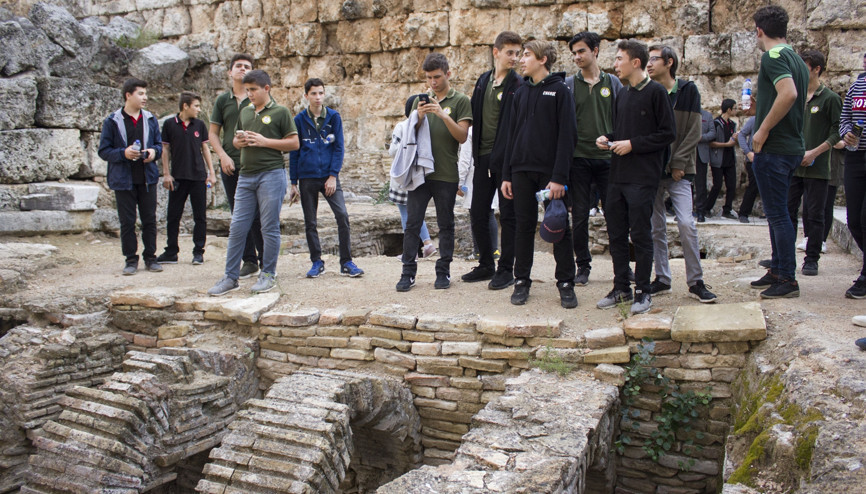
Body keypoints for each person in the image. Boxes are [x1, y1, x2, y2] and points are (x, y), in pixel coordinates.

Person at [595, 39, 676, 314]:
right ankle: (621, 288)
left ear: (635, 62)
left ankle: (642, 291)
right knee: (616, 234)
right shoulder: (623, 94)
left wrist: (632, 145)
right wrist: (610, 138)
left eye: (619, 59)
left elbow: (667, 134)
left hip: (643, 177)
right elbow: (625, 132)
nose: (615, 64)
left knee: (641, 234)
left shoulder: (656, 93)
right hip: (617, 176)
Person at [208, 70, 299, 296]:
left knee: (268, 227)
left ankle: (268, 274)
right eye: (247, 90)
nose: (249, 94)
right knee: (237, 226)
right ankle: (230, 277)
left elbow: (294, 143)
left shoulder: (280, 112)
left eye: (253, 90)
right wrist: (238, 143)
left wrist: (264, 141)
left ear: (266, 89)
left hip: (271, 175)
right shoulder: (246, 112)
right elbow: (234, 142)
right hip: (245, 176)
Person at [501, 40, 578, 308]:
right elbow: (511, 136)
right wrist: (507, 175)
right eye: (521, 55)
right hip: (521, 171)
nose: (521, 60)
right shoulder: (520, 93)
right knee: (523, 227)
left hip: (550, 175)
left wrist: (559, 177)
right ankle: (521, 280)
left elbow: (568, 137)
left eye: (527, 55)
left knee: (559, 227)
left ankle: (566, 283)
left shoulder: (560, 91)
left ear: (543, 59)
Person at [645, 44, 717, 303]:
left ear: (669, 62)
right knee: (656, 227)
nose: (649, 63)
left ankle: (696, 281)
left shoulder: (688, 91)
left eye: (654, 59)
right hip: (653, 170)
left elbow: (694, 132)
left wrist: (678, 163)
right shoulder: (648, 90)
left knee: (686, 223)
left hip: (680, 170)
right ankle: (662, 278)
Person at [395, 53, 471, 292]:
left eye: (437, 77)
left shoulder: (460, 101)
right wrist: (417, 117)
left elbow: (462, 136)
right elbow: (409, 136)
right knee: (412, 224)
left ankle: (443, 272)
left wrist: (441, 113)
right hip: (420, 173)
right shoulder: (422, 100)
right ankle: (408, 273)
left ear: (448, 74)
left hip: (446, 174)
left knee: (446, 224)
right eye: (429, 78)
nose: (433, 82)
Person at [748, 5, 809, 299]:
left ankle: (787, 278)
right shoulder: (796, 59)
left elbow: (789, 94)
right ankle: (777, 268)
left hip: (774, 148)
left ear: (760, 30)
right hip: (791, 147)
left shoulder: (772, 56)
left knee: (778, 215)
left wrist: (762, 130)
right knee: (780, 213)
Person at [461, 31, 522, 290]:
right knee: (477, 212)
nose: (515, 58)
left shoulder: (517, 83)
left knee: (508, 215)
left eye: (518, 53)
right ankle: (486, 264)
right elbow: (474, 118)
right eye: (510, 52)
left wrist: (508, 160)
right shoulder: (483, 81)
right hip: (482, 159)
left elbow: (516, 125)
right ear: (495, 52)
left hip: (506, 160)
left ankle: (506, 269)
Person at [288, 78, 364, 278]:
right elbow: (295, 152)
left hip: (328, 177)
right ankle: (316, 261)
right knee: (310, 222)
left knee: (342, 216)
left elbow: (339, 148)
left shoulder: (333, 117)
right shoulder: (299, 120)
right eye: (313, 93)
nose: (317, 97)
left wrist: (333, 176)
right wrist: (293, 183)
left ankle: (346, 262)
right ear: (306, 96)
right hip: (307, 177)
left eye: (321, 93)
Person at [566, 31, 623, 286]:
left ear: (595, 50)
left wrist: (612, 141)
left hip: (608, 160)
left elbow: (622, 120)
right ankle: (583, 266)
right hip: (578, 159)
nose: (577, 57)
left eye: (582, 51)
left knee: (615, 214)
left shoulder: (613, 83)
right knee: (579, 216)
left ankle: (621, 268)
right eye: (574, 53)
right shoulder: (568, 85)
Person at [98, 78, 163, 276]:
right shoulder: (112, 121)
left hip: (147, 178)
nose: (145, 97)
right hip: (123, 180)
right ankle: (130, 259)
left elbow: (159, 145)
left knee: (149, 220)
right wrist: (123, 153)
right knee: (127, 221)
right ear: (128, 95)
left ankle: (151, 258)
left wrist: (153, 153)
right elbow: (104, 151)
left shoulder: (150, 119)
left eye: (145, 93)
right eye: (141, 93)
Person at [786, 50, 841, 277]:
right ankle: (784, 257)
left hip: (817, 168)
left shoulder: (830, 98)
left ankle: (812, 259)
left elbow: (837, 131)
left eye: (804, 67)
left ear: (816, 69)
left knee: (814, 214)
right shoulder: (794, 96)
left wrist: (815, 152)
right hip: (793, 165)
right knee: (787, 211)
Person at [209, 54, 264, 280]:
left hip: (255, 165)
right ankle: (249, 261)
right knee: (239, 215)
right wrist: (222, 156)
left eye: (247, 67)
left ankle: (266, 262)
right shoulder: (223, 101)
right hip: (231, 164)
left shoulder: (258, 99)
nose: (242, 69)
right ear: (230, 73)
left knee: (260, 215)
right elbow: (213, 133)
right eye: (238, 66)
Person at [156, 91, 216, 266]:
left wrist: (211, 173)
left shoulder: (199, 125)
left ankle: (198, 252)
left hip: (198, 176)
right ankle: (171, 251)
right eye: (196, 106)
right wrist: (167, 174)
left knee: (200, 217)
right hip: (178, 177)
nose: (199, 109)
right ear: (185, 106)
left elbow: (205, 148)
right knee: (173, 215)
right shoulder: (169, 124)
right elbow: (165, 150)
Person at [388, 95, 437, 260]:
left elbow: (393, 151)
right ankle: (428, 243)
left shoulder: (402, 126)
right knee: (416, 213)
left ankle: (412, 251)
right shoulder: (426, 126)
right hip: (418, 175)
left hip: (403, 176)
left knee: (405, 214)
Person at [841, 64, 866, 299]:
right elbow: (845, 118)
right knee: (854, 221)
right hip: (856, 156)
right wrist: (846, 132)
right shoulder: (856, 87)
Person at [458, 127, 499, 261]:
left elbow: (465, 160)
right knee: (489, 211)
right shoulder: (492, 127)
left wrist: (459, 181)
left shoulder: (469, 131)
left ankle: (478, 251)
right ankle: (494, 250)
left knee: (475, 213)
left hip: (474, 176)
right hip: (492, 171)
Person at [703, 99, 739, 220]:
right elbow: (711, 143)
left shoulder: (732, 125)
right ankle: (707, 208)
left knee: (731, 185)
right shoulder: (716, 123)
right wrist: (727, 144)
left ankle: (727, 209)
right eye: (734, 108)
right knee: (717, 185)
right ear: (729, 109)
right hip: (718, 159)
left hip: (729, 159)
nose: (736, 110)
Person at [737, 93, 760, 223]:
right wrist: (748, 152)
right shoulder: (754, 120)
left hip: (768, 157)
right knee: (753, 185)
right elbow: (741, 135)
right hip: (753, 158)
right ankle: (743, 213)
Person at [694, 109, 715, 222]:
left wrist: (700, 138)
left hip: (701, 153)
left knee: (701, 184)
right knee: (686, 183)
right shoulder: (687, 113)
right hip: (688, 153)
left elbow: (712, 133)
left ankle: (700, 211)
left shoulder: (707, 115)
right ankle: (685, 212)